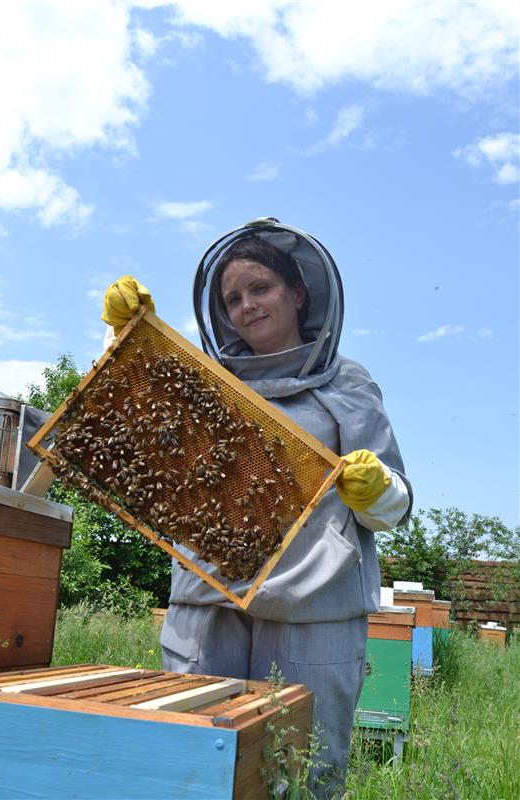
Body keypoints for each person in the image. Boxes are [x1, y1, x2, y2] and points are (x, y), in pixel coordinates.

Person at [102, 218, 412, 794]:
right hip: (207, 595)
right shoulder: (203, 378)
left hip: (314, 602)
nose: (247, 305)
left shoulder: (348, 382)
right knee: (194, 765)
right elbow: (139, 438)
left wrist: (378, 489)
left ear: (298, 294)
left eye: (260, 287)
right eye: (233, 298)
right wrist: (127, 344)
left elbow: (394, 504)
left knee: (300, 774)